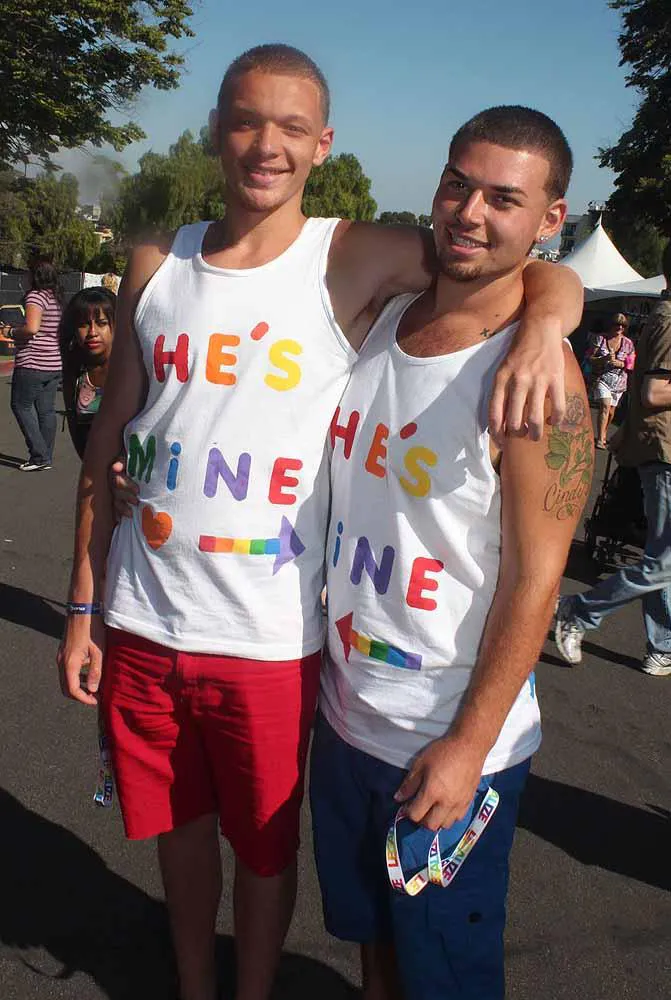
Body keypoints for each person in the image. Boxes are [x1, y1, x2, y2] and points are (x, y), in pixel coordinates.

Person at [58, 46, 583, 1000]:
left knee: (390, 930)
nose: (267, 145)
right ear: (215, 129)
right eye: (246, 120)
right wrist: (86, 597)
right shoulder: (344, 313)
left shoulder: (374, 272)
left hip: (317, 664)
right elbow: (119, 437)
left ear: (323, 143)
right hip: (285, 675)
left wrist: (553, 316)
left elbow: (507, 269)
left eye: (292, 127)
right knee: (351, 924)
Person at [311, 105, 592, 1000]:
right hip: (345, 717)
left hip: (445, 742)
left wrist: (468, 745)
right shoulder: (383, 318)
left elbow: (536, 580)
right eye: (456, 185)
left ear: (549, 219)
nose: (468, 213)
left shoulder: (540, 382)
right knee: (370, 940)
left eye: (503, 199)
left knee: (445, 976)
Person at [555, 242, 671, 677]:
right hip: (664, 452)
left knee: (662, 558)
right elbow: (655, 392)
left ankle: (662, 645)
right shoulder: (669, 320)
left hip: (658, 449)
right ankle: (580, 610)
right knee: (664, 562)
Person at [4, 256, 63, 471]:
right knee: (46, 410)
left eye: (27, 272)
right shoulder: (55, 298)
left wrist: (10, 331)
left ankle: (39, 456)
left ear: (34, 275)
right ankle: (45, 456)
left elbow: (32, 328)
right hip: (53, 363)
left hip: (33, 362)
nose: (25, 277)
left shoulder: (36, 297)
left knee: (21, 405)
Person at [59, 287, 116, 459]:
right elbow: (74, 424)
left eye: (101, 323)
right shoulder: (75, 372)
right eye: (83, 324)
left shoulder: (131, 370)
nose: (92, 332)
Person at [588, 312, 635, 448]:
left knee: (610, 411)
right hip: (602, 378)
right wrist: (603, 359)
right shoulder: (600, 339)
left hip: (619, 382)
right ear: (611, 325)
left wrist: (620, 363)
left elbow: (631, 364)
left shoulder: (628, 344)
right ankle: (600, 439)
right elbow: (590, 358)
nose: (619, 327)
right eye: (617, 324)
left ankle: (604, 432)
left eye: (623, 325)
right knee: (605, 405)